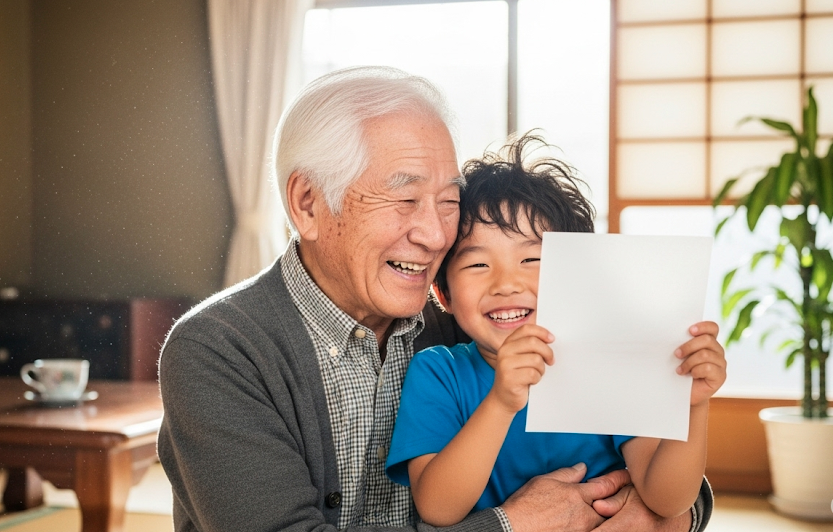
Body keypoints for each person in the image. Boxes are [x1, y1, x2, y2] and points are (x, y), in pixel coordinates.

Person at [157, 66, 714, 532]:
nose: (434, 234)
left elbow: (669, 483)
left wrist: (653, 512)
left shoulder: (468, 321)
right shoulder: (217, 350)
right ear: (307, 203)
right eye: (404, 199)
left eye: (447, 202)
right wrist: (510, 525)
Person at [386, 133, 726, 527]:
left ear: (576, 276)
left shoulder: (609, 365)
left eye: (531, 258)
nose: (506, 283)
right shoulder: (437, 373)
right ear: (442, 294)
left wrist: (693, 403)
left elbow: (667, 500)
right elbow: (437, 509)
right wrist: (501, 402)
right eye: (478, 265)